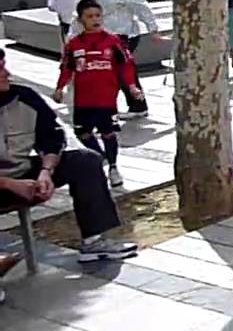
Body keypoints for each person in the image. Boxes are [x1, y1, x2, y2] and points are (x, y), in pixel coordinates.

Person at [0, 48, 138, 272]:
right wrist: (9, 184)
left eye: (5, 66)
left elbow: (52, 137)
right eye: (0, 69)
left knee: (86, 161)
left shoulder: (25, 97)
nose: (7, 73)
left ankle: (94, 241)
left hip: (23, 171)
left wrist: (46, 171)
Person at [53, 0, 142, 189]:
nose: (95, 20)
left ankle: (113, 167)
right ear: (80, 20)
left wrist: (132, 87)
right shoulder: (74, 45)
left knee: (108, 133)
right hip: (83, 100)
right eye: (89, 16)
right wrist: (59, 87)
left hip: (106, 99)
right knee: (82, 132)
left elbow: (125, 66)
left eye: (97, 15)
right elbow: (67, 68)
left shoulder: (113, 41)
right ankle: (99, 156)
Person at [77, 0, 158, 120]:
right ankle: (135, 105)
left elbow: (141, 6)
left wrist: (153, 29)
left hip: (122, 33)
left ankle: (135, 105)